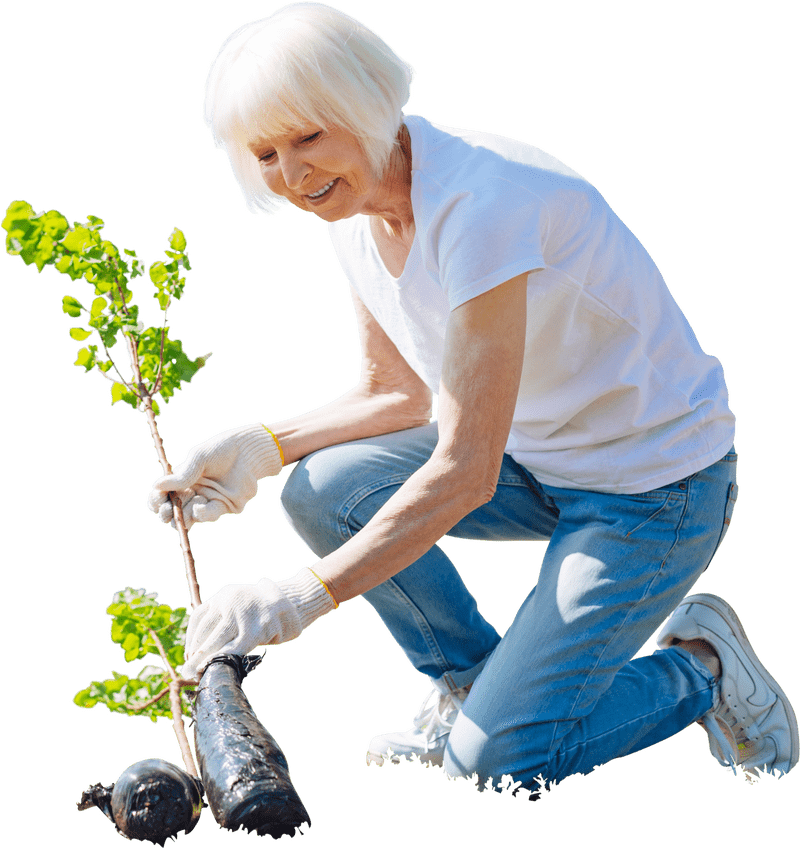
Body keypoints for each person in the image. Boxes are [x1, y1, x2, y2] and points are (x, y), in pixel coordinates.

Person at [147, 2, 797, 792]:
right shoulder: (354, 210)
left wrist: (296, 601)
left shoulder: (484, 208)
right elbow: (395, 394)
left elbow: (463, 472)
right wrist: (262, 446)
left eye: (309, 136)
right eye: (267, 153)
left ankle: (701, 670)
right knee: (323, 489)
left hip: (654, 492)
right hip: (539, 459)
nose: (293, 174)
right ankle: (475, 691)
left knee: (499, 764)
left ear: (364, 104)